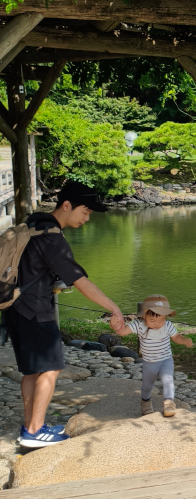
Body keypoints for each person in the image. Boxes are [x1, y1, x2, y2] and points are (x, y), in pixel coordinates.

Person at [5, 181, 126, 448]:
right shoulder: (52, 238)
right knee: (51, 368)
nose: (87, 218)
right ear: (67, 205)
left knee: (32, 371)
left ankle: (30, 427)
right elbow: (81, 282)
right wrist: (113, 308)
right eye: (85, 211)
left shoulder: (34, 224)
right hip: (36, 311)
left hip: (15, 308)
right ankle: (34, 432)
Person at [116, 294, 193, 417]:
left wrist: (184, 341)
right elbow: (123, 332)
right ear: (144, 316)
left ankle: (169, 403)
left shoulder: (167, 326)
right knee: (147, 386)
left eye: (161, 320)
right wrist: (116, 325)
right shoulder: (139, 325)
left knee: (168, 380)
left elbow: (176, 337)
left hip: (166, 360)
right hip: (149, 363)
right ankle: (145, 403)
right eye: (152, 320)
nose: (157, 323)